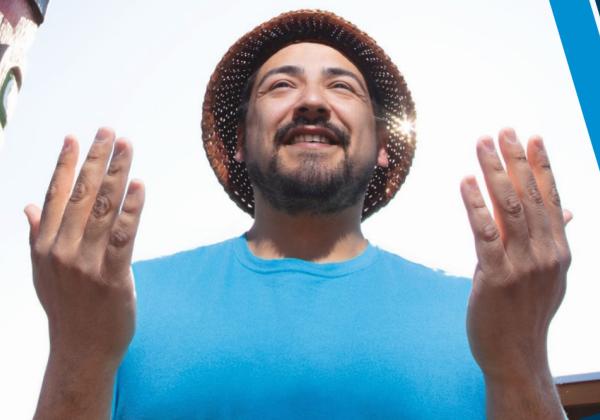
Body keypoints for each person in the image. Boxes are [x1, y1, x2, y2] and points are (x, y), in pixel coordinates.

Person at [27, 10, 571, 419]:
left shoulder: (485, 319)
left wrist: (522, 359)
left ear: (383, 143)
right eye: (281, 85)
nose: (312, 101)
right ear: (238, 140)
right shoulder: (116, 303)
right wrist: (77, 353)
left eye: (341, 86)